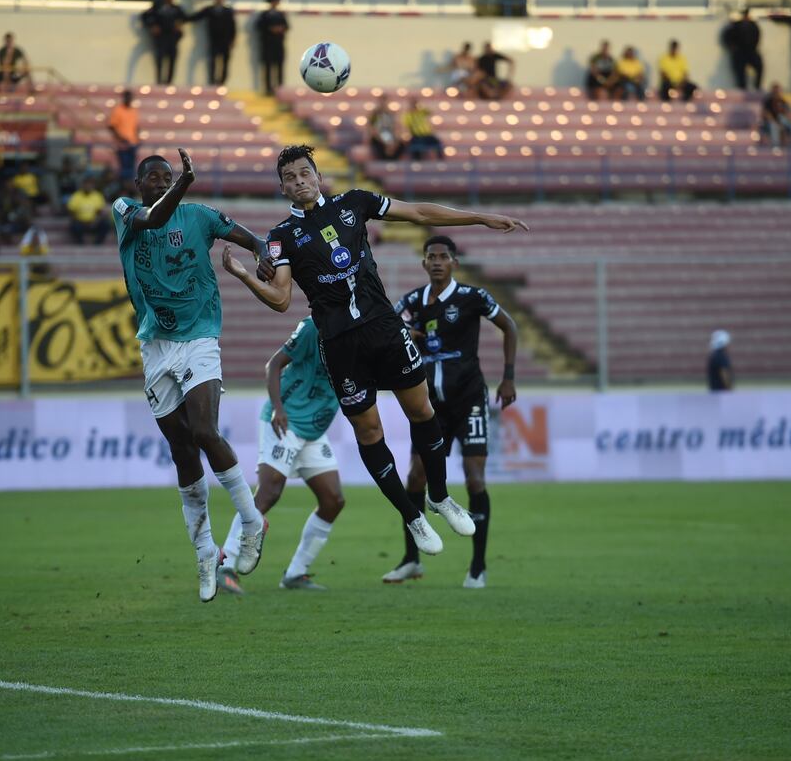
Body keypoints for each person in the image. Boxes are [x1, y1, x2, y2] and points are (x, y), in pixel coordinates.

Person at [227, 144, 527, 560]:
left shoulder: (355, 203)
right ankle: (412, 515)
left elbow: (419, 213)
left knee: (422, 411)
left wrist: (479, 218)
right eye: (290, 177)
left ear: (318, 175)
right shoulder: (281, 238)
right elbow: (280, 298)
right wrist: (244, 275)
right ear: (282, 188)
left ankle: (439, 497)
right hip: (340, 345)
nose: (299, 181)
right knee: (370, 433)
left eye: (304, 173)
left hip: (384, 329)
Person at [111, 150, 270, 603]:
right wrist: (184, 182)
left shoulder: (199, 215)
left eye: (168, 177)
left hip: (200, 336)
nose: (161, 183)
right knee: (181, 447)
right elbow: (153, 221)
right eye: (153, 178)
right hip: (154, 343)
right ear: (138, 184)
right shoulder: (125, 211)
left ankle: (252, 519)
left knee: (203, 430)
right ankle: (205, 551)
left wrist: (263, 254)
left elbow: (252, 238)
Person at [384, 235, 518, 589]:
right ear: (424, 263)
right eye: (432, 256)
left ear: (454, 262)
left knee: (475, 478)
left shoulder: (472, 298)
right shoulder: (414, 300)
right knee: (415, 478)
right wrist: (405, 333)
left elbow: (509, 326)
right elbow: (387, 323)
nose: (438, 261)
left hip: (469, 399)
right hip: (430, 408)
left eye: (444, 256)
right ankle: (412, 559)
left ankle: (477, 566)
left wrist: (508, 377)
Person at [213, 316, 344, 594]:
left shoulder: (361, 331)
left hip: (314, 428)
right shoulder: (313, 327)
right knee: (269, 492)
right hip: (285, 419)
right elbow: (274, 365)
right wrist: (277, 408)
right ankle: (225, 564)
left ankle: (295, 574)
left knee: (333, 500)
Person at [191, 0, 236, 86]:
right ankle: (212, 81)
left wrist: (232, 40)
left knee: (225, 62)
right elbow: (195, 17)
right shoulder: (210, 10)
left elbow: (233, 27)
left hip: (225, 40)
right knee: (212, 62)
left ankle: (222, 82)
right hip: (214, 40)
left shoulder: (228, 11)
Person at [142, 0, 186, 85]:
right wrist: (152, 25)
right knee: (160, 59)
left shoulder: (176, 8)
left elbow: (185, 17)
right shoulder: (157, 7)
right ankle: (159, 81)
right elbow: (145, 16)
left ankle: (169, 82)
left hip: (172, 38)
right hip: (161, 38)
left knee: (172, 60)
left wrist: (180, 24)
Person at [257, 0, 290, 96]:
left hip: (278, 44)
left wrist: (280, 29)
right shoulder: (264, 14)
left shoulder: (281, 14)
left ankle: (280, 88)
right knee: (268, 67)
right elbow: (259, 27)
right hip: (268, 44)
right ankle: (268, 89)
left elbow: (287, 26)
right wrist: (270, 29)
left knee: (279, 66)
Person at [723, 8, 763, 90]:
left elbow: (757, 36)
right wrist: (732, 47)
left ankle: (757, 86)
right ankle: (743, 88)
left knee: (759, 66)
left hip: (751, 51)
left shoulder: (753, 25)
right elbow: (727, 37)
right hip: (740, 53)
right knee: (740, 73)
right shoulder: (736, 25)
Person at [67, 176, 110, 245]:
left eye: (90, 184)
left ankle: (98, 243)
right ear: (83, 185)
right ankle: (80, 243)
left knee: (105, 224)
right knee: (74, 225)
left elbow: (101, 212)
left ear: (93, 185)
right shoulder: (76, 195)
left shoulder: (97, 196)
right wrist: (79, 220)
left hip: (94, 222)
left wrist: (96, 221)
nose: (88, 186)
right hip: (80, 222)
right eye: (86, 184)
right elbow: (71, 211)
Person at [108, 90, 139, 180]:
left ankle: (129, 187)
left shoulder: (134, 111)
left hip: (132, 143)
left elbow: (135, 126)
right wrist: (121, 139)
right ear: (124, 98)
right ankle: (123, 187)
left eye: (130, 97)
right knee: (124, 168)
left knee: (131, 168)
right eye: (127, 97)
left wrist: (137, 139)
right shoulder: (118, 110)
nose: (129, 99)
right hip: (122, 145)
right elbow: (112, 126)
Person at [762, 83, 791, 148]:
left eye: (779, 91)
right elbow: (767, 115)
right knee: (773, 126)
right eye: (775, 92)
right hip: (771, 122)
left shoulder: (783, 102)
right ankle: (775, 146)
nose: (777, 93)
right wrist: (777, 123)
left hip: (782, 121)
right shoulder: (768, 102)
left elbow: (789, 113)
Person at [367, 95, 404, 161]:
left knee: (401, 144)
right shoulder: (375, 114)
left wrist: (395, 141)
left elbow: (395, 127)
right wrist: (385, 142)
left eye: (385, 101)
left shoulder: (391, 114)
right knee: (380, 146)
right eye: (382, 101)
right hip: (379, 136)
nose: (384, 103)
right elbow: (372, 129)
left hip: (390, 135)